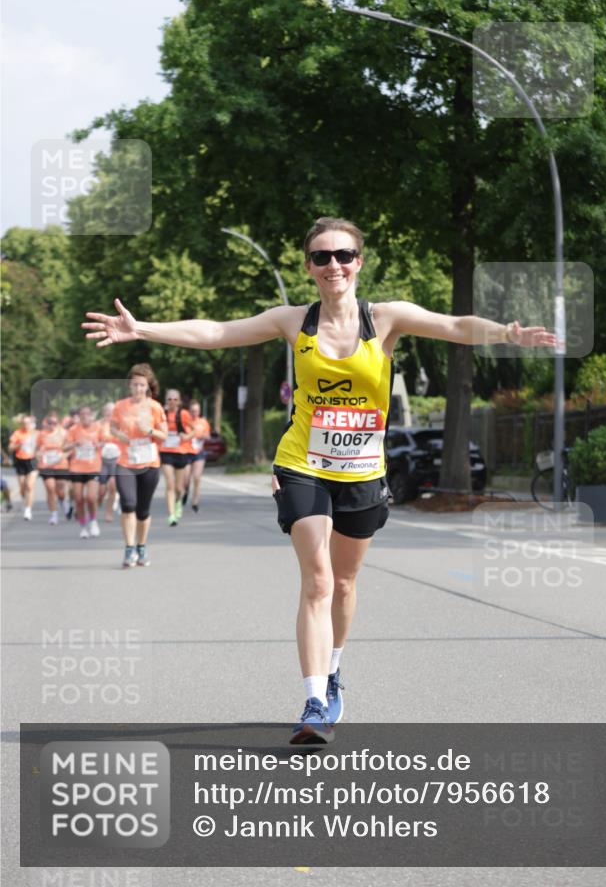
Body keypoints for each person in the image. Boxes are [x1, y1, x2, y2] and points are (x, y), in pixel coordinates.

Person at [82, 216, 558, 742]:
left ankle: (332, 671)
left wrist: (508, 333)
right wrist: (143, 328)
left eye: (344, 255)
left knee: (346, 582)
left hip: (363, 470)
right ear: (308, 266)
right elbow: (218, 332)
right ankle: (313, 701)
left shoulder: (387, 319)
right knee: (319, 580)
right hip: (303, 465)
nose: (334, 265)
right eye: (322, 257)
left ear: (360, 261)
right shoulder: (294, 321)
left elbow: (453, 326)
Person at [109, 364, 167, 568]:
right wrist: (119, 435)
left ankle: (141, 546)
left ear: (148, 386)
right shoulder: (120, 406)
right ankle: (129, 548)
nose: (138, 388)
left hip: (149, 463)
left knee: (143, 511)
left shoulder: (155, 407)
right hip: (126, 462)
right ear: (129, 386)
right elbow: (112, 427)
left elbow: (164, 436)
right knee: (128, 504)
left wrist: (150, 430)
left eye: (142, 385)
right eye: (134, 384)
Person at [63, 405, 103, 538]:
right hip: (77, 468)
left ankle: (93, 520)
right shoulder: (74, 429)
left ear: (92, 415)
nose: (85, 417)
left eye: (87, 414)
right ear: (79, 417)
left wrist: (99, 445)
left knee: (91, 497)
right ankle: (83, 527)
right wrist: (75, 444)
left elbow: (106, 441)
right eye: (82, 414)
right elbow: (64, 447)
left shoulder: (98, 427)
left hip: (93, 467)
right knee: (79, 499)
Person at [159, 389, 192, 526]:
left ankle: (178, 502)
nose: (172, 402)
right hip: (166, 451)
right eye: (169, 399)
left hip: (181, 452)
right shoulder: (161, 414)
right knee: (170, 484)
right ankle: (171, 515)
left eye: (175, 399)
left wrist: (187, 436)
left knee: (179, 488)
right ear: (165, 401)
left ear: (179, 402)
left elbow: (194, 430)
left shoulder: (183, 414)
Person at [36, 412, 70, 524]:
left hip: (61, 464)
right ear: (46, 423)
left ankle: (64, 502)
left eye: (54, 423)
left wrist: (64, 455)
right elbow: (36, 450)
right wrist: (38, 454)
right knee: (50, 488)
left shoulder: (64, 433)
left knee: (60, 489)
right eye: (49, 423)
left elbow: (71, 447)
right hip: (46, 465)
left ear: (59, 423)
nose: (52, 425)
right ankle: (53, 515)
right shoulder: (41, 434)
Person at [182, 399, 210, 512]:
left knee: (197, 477)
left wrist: (202, 436)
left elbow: (208, 436)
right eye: (193, 411)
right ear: (189, 411)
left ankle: (195, 501)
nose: (195, 413)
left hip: (198, 452)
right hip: (186, 452)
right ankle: (186, 491)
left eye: (197, 411)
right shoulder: (185, 422)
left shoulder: (203, 422)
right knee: (186, 479)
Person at [8, 414, 38, 520]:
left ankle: (28, 510)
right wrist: (18, 445)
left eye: (28, 423)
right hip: (20, 461)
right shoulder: (17, 433)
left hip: (32, 461)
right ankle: (25, 501)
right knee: (22, 488)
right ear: (21, 424)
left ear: (31, 423)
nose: (26, 425)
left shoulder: (35, 434)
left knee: (29, 486)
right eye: (24, 423)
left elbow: (42, 445)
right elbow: (10, 448)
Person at [98, 401, 120, 522]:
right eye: (108, 411)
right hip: (101, 460)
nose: (110, 413)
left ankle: (109, 512)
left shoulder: (119, 425)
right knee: (101, 491)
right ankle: (98, 501)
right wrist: (99, 443)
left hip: (116, 459)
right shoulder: (98, 425)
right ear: (103, 412)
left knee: (112, 486)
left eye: (112, 411)